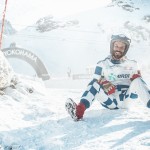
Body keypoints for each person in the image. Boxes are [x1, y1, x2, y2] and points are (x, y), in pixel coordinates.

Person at [65, 34, 150, 121]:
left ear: (125, 49)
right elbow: (95, 81)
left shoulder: (133, 64)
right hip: (110, 100)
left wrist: (136, 77)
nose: (118, 49)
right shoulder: (102, 64)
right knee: (94, 84)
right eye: (116, 46)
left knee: (138, 80)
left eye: (122, 47)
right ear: (112, 46)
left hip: (127, 99)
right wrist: (103, 82)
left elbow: (140, 85)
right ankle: (78, 111)